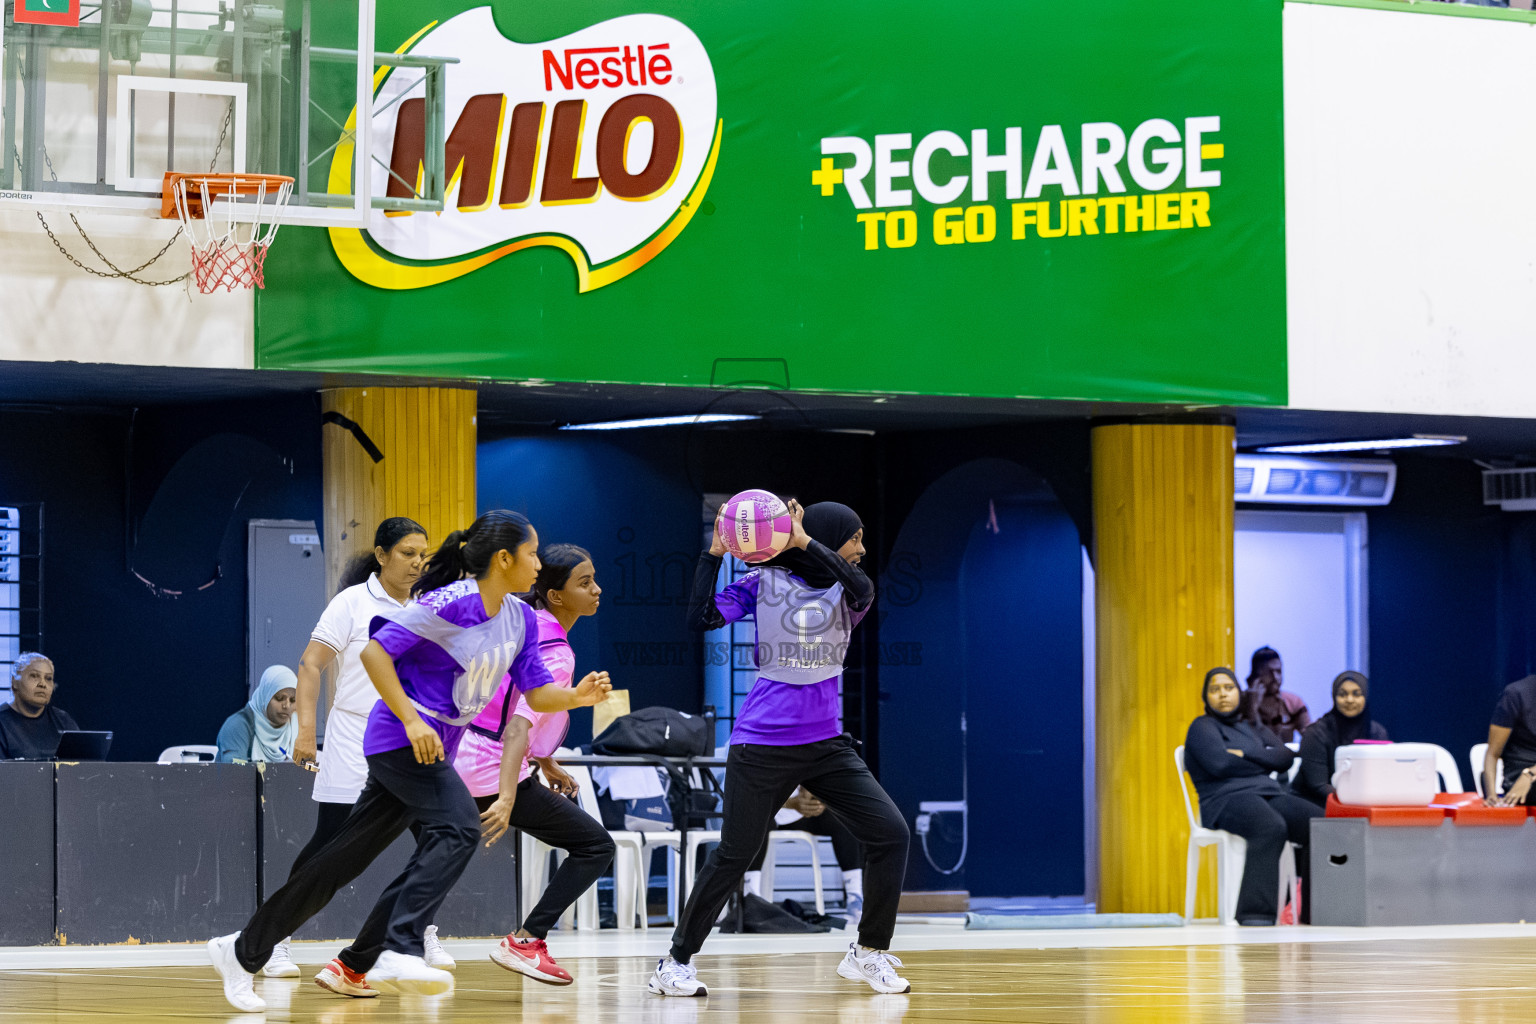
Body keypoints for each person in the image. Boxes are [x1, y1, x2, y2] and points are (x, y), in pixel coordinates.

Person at [208, 510, 612, 1012]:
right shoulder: (453, 602)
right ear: (504, 559)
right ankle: (399, 946)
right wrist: (413, 719)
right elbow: (377, 654)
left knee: (336, 863)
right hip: (399, 738)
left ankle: (242, 950)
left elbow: (537, 692)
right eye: (531, 553)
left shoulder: (521, 618)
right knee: (461, 826)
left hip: (436, 746)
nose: (537, 562)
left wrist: (577, 697)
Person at [650, 500, 910, 998]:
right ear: (837, 540)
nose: (862, 548)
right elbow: (700, 617)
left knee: (889, 833)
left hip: (827, 746)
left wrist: (802, 540)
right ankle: (674, 963)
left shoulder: (850, 592)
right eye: (855, 538)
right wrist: (713, 553)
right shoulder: (761, 584)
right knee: (735, 853)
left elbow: (861, 586)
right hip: (762, 744)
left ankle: (868, 952)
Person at [254, 519, 434, 982]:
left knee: (434, 837)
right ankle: (274, 940)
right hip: (354, 738)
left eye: (423, 555)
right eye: (407, 553)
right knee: (330, 841)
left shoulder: (429, 606)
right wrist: (305, 731)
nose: (417, 562)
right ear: (381, 554)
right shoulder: (351, 603)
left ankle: (415, 938)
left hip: (410, 739)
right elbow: (311, 663)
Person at [447, 543, 614, 986]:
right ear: (556, 596)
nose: (597, 589)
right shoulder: (558, 654)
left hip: (455, 754)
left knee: (395, 846)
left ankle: (358, 957)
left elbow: (506, 705)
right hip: (490, 769)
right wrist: (506, 797)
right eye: (585, 582)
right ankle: (526, 941)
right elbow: (517, 728)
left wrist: (546, 760)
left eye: (594, 579)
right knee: (596, 846)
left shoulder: (520, 623)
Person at [1183, 667, 1321, 926]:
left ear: (1239, 692)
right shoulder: (1202, 727)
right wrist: (1263, 759)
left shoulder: (1251, 727)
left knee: (1319, 823)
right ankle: (1255, 916)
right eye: (1215, 689)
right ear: (1206, 696)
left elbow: (1285, 757)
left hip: (1267, 793)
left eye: (1228, 688)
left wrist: (1245, 754)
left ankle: (1314, 911)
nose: (1222, 694)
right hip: (1224, 800)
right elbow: (1219, 764)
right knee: (1270, 826)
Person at [745, 788, 865, 922]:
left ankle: (855, 899)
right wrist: (789, 803)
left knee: (845, 820)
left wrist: (820, 801)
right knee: (757, 818)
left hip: (799, 813)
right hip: (768, 810)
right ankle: (750, 896)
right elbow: (755, 794)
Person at [1292, 671, 1388, 808]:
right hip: (1312, 802)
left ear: (1366, 697)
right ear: (1334, 697)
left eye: (1356, 694)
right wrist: (1356, 799)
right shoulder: (1316, 733)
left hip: (1360, 802)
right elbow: (1317, 785)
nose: (1349, 700)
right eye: (1342, 694)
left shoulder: (1377, 732)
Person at [0, 653, 78, 760]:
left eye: (48, 678)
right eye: (34, 676)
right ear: (15, 682)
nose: (42, 684)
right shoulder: (2, 721)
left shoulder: (63, 720)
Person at [215, 666, 298, 764]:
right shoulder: (237, 726)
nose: (287, 706)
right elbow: (235, 775)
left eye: (293, 700)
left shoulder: (295, 726)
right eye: (279, 698)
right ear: (264, 697)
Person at [1483, 674, 1536, 807]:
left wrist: (1530, 774)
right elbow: (1492, 753)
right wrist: (1491, 796)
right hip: (1519, 773)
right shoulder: (1516, 693)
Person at [1243, 646, 1312, 742]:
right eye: (1269, 673)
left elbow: (1311, 737)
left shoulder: (1293, 702)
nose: (1276, 678)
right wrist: (1252, 708)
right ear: (1256, 675)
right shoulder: (1242, 702)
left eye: (1279, 671)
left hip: (1285, 755)